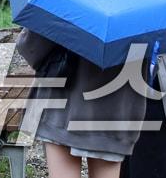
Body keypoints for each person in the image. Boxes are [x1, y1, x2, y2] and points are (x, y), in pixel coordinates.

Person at [16, 30, 155, 178]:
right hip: (116, 111)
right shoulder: (143, 18)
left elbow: (32, 46)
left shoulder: (73, 12)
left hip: (62, 107)